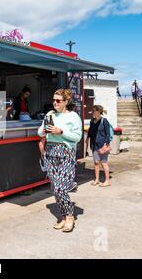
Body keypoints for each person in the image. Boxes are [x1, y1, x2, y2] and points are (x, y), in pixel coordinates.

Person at [38, 89, 82, 232]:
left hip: (65, 152)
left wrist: (60, 131)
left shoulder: (73, 116)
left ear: (66, 102)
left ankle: (69, 217)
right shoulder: (50, 114)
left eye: (58, 101)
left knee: (60, 187)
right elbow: (39, 132)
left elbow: (77, 137)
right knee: (55, 188)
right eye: (54, 100)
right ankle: (63, 217)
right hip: (50, 151)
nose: (55, 103)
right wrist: (45, 130)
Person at [85, 105, 112, 187]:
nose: (92, 112)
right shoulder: (92, 121)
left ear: (99, 112)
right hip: (94, 145)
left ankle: (107, 181)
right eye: (92, 111)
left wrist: (105, 145)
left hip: (102, 145)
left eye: (94, 111)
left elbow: (108, 134)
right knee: (96, 163)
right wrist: (88, 138)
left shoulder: (104, 121)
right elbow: (91, 131)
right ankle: (97, 179)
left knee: (104, 163)